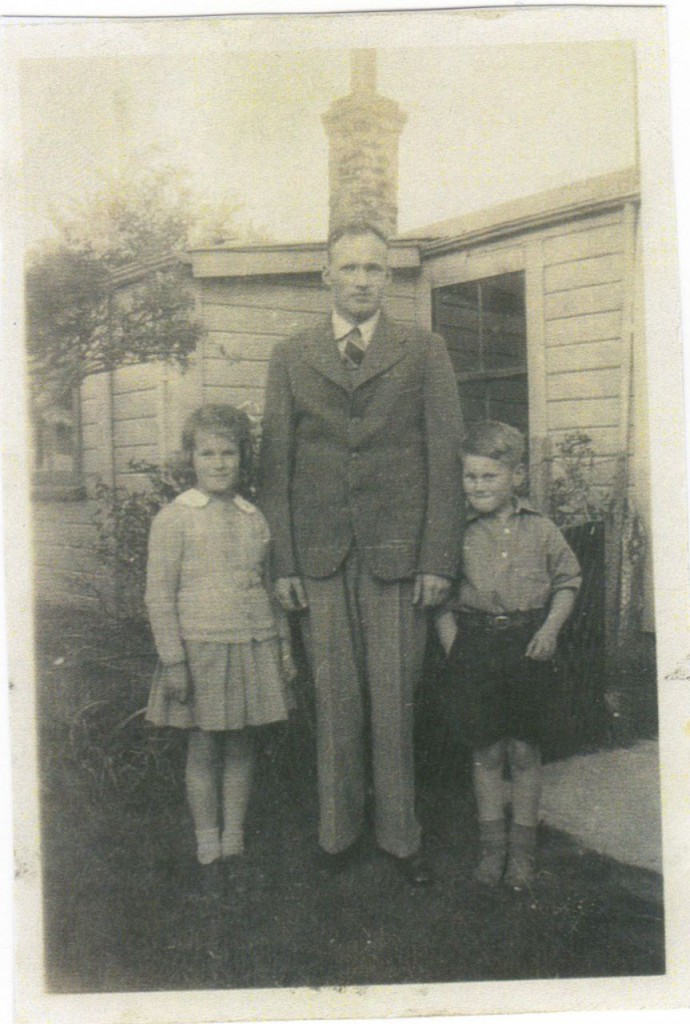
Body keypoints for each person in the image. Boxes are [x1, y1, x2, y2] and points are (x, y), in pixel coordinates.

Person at [258, 220, 464, 885]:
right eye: (348, 268)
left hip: (399, 556)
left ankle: (401, 839)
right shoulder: (291, 355)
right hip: (318, 557)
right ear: (327, 275)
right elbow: (276, 466)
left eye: (374, 268)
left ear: (389, 276)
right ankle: (337, 834)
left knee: (395, 700)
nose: (361, 280)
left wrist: (437, 558)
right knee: (335, 699)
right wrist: (284, 562)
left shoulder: (424, 349)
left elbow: (445, 459)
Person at [145, 404, 293, 891]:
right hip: (200, 647)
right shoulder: (176, 518)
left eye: (228, 452)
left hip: (251, 643)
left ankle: (234, 834)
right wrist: (173, 660)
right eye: (207, 453)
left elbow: (268, 589)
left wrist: (284, 650)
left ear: (242, 457)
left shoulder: (254, 517)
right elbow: (159, 596)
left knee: (242, 744)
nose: (219, 462)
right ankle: (206, 835)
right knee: (205, 746)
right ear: (190, 458)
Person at [435, 420, 581, 889]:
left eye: (488, 476)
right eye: (470, 476)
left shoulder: (541, 529)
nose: (477, 485)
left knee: (523, 750)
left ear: (516, 476)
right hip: (475, 647)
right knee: (486, 752)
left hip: (527, 647)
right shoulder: (456, 533)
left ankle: (522, 853)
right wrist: (453, 644)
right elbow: (440, 597)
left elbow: (568, 582)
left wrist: (551, 630)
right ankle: (491, 850)